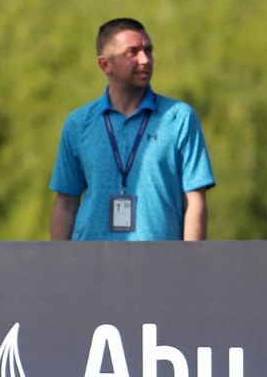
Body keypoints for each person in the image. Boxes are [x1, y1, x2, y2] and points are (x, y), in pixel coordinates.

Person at [50, 18, 215, 241]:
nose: (145, 60)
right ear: (105, 64)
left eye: (148, 50)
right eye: (132, 52)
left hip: (159, 264)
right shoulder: (78, 124)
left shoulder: (179, 118)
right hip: (91, 264)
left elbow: (195, 201)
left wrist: (190, 264)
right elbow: (66, 204)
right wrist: (59, 267)